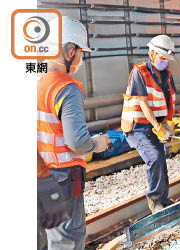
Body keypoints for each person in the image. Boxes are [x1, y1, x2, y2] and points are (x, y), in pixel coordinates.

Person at [38, 16, 110, 250]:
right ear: (70, 51)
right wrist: (96, 144)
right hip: (62, 178)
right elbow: (77, 142)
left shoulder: (35, 81)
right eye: (81, 52)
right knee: (67, 239)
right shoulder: (65, 87)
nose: (81, 59)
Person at [121, 35, 177, 213]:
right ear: (152, 54)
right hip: (137, 127)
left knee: (161, 159)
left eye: (167, 59)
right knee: (154, 157)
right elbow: (143, 102)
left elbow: (168, 100)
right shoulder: (140, 71)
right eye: (162, 58)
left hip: (155, 125)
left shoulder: (167, 74)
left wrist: (167, 125)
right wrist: (158, 127)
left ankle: (163, 199)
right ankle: (154, 201)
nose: (165, 62)